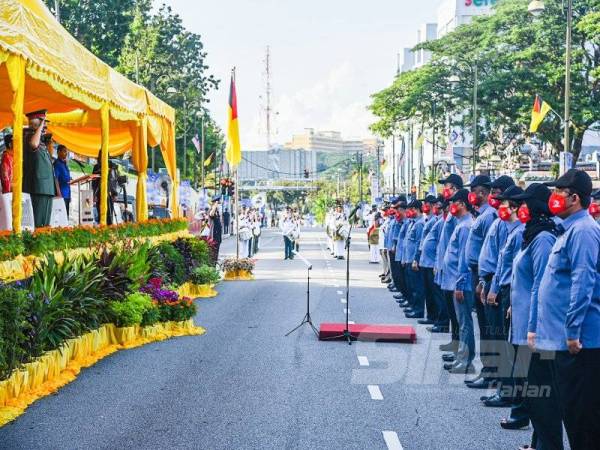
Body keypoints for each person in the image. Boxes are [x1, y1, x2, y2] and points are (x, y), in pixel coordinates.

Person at [537, 169, 600, 449]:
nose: (554, 198)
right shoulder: (570, 229)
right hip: (568, 340)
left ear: (574, 198)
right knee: (574, 417)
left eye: (559, 193)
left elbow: (582, 281)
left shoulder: (584, 231)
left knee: (583, 420)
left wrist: (572, 331)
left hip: (581, 342)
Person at [506, 183, 563, 450]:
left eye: (526, 203)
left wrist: (533, 326)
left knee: (540, 392)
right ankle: (538, 442)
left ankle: (548, 445)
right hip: (523, 323)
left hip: (535, 329)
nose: (521, 208)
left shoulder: (542, 239)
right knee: (532, 391)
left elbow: (541, 284)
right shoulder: (532, 234)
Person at [468, 175, 516, 390]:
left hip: (494, 280)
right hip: (485, 277)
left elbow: (502, 259)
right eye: (494, 192)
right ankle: (490, 372)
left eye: (499, 193)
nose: (494, 196)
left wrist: (491, 285)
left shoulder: (499, 219)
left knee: (494, 332)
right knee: (487, 330)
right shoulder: (495, 218)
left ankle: (495, 376)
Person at [442, 189, 476, 374]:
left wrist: (460, 284)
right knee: (461, 322)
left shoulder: (465, 227)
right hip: (456, 280)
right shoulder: (460, 224)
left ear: (462, 204)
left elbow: (464, 258)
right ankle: (461, 358)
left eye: (453, 203)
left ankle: (465, 361)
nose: (450, 206)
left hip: (460, 281)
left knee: (464, 323)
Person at [435, 173, 463, 354]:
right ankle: (454, 342)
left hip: (455, 271)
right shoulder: (451, 211)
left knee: (459, 315)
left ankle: (460, 347)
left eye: (448, 186)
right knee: (452, 312)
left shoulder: (458, 213)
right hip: (447, 268)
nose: (445, 190)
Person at [22, 110, 56, 228]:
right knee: (37, 222)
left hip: (46, 188)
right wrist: (40, 128)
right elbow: (33, 144)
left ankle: (42, 242)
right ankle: (34, 244)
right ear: (36, 124)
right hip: (38, 187)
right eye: (43, 123)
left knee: (45, 223)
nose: (45, 126)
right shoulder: (29, 137)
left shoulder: (42, 142)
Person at [402, 200, 426, 319]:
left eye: (411, 209)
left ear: (417, 209)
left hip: (414, 260)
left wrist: (416, 259)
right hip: (409, 259)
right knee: (411, 285)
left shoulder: (420, 223)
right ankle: (413, 306)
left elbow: (419, 243)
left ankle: (418, 310)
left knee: (417, 287)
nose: (409, 212)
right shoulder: (413, 222)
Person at [53, 145, 72, 217]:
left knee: (66, 216)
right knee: (62, 217)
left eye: (66, 151)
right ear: (58, 152)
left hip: (67, 194)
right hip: (61, 194)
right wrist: (59, 193)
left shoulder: (64, 164)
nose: (66, 153)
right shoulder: (57, 164)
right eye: (64, 151)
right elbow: (55, 179)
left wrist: (70, 196)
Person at [209, 195, 223, 260]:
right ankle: (213, 265)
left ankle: (214, 263)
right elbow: (211, 214)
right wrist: (215, 205)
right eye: (219, 201)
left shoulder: (217, 211)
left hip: (218, 235)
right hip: (214, 235)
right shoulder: (212, 210)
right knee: (213, 252)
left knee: (216, 253)